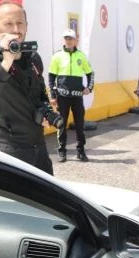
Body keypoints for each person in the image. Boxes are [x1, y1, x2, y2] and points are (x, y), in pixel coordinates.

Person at [0, 1, 57, 174]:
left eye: (20, 23)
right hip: (11, 149)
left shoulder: (34, 57)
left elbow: (40, 92)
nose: (15, 30)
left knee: (47, 198)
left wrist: (47, 110)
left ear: (26, 25)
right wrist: (6, 62)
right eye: (8, 24)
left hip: (39, 146)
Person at [48, 28, 94, 163]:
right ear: (64, 40)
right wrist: (52, 94)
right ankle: (62, 152)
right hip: (62, 98)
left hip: (77, 97)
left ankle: (81, 152)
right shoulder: (57, 56)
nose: (68, 41)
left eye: (71, 38)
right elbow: (51, 77)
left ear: (76, 40)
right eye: (66, 38)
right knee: (61, 125)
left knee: (80, 125)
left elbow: (90, 73)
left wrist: (89, 88)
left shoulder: (81, 56)